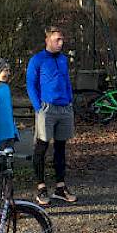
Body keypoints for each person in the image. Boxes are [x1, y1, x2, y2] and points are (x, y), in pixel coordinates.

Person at [26, 27, 77, 205]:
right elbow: (31, 84)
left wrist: (70, 99)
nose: (60, 43)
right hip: (46, 108)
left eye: (62, 40)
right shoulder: (37, 60)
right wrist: (38, 106)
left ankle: (60, 187)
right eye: (57, 40)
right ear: (47, 40)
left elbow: (66, 80)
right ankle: (41, 187)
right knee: (41, 146)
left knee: (61, 148)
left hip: (64, 107)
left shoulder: (63, 59)